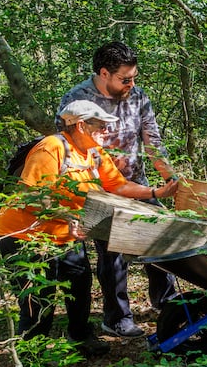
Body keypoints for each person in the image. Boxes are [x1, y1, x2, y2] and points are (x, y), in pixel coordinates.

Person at [0, 100, 180, 355]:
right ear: (81, 125)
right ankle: (31, 361)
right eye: (102, 126)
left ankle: (81, 338)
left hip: (65, 234)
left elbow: (117, 186)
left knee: (80, 284)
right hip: (26, 237)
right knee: (39, 301)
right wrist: (67, 219)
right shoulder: (51, 148)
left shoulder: (94, 152)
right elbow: (32, 197)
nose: (107, 131)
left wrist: (155, 191)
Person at [56, 41, 178, 338]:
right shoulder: (76, 100)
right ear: (104, 73)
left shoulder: (138, 97)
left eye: (134, 77)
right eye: (125, 79)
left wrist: (170, 180)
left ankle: (168, 302)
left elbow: (153, 141)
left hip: (137, 183)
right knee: (112, 253)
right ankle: (116, 317)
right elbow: (67, 150)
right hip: (97, 190)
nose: (131, 84)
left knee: (160, 235)